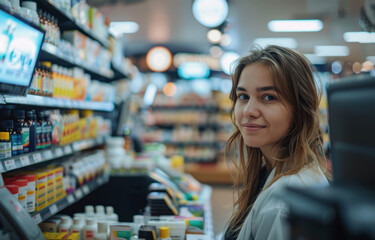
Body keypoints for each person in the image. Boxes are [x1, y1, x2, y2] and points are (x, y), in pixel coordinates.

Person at [223, 45, 331, 240]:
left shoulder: (281, 206)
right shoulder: (268, 172)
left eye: (268, 97)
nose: (248, 111)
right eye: (243, 97)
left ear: (300, 109)